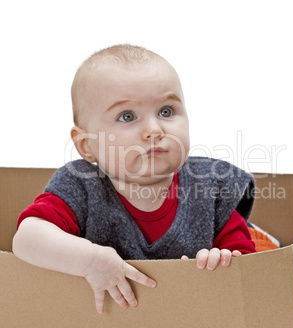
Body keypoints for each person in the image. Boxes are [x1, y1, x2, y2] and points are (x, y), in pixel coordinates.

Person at [12, 44, 256, 315]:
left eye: (166, 111)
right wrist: (90, 260)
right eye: (127, 116)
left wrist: (222, 261)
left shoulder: (211, 185)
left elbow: (248, 269)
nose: (154, 129)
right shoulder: (80, 185)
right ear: (86, 145)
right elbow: (27, 238)